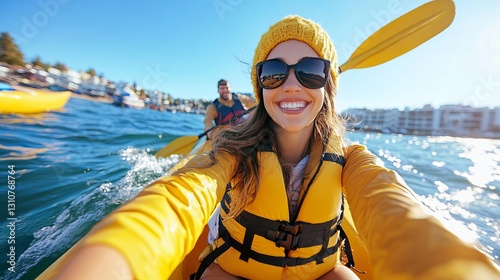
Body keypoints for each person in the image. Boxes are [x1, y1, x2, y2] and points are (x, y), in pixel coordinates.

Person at [44, 15, 500, 280]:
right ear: (259, 87)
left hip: (319, 271)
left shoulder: (353, 160)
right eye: (274, 73)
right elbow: (176, 202)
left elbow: (394, 206)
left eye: (311, 71)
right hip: (233, 268)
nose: (291, 85)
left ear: (329, 86)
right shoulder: (230, 148)